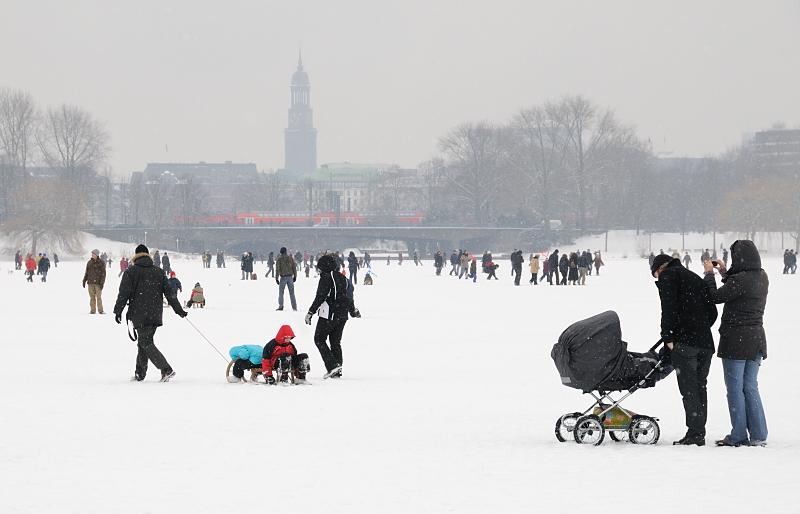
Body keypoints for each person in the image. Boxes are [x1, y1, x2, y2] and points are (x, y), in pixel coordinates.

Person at [703, 241, 769, 447]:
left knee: (734, 389)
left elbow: (714, 297)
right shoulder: (761, 276)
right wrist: (724, 272)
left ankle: (739, 434)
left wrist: (709, 274)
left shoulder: (740, 280)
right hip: (756, 339)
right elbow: (739, 288)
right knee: (750, 387)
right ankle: (758, 434)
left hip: (736, 340)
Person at [650, 253, 718, 446]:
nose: (657, 278)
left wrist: (668, 337)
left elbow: (668, 308)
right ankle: (699, 431)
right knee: (700, 387)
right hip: (705, 343)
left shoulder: (668, 276)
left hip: (685, 344)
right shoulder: (693, 277)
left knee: (689, 389)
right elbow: (712, 311)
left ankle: (695, 434)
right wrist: (700, 328)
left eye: (655, 274)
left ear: (660, 268)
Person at [113, 244, 188, 382]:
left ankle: (166, 369)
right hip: (155, 313)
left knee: (145, 342)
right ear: (148, 255)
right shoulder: (158, 272)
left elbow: (123, 293)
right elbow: (170, 293)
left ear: (136, 256)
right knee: (144, 342)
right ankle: (140, 374)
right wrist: (179, 310)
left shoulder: (131, 271)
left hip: (139, 313)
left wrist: (118, 310)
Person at [305, 254, 360, 378]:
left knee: (319, 339)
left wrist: (310, 312)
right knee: (335, 342)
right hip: (343, 315)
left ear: (324, 267)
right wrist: (352, 311)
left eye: (319, 268)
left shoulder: (326, 277)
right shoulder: (344, 278)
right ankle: (337, 370)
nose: (318, 271)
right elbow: (349, 296)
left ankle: (332, 366)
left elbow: (320, 296)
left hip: (330, 314)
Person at [83, 249, 107, 314]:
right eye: (92, 254)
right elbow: (87, 272)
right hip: (90, 283)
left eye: (93, 254)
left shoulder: (101, 262)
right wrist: (84, 280)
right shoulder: (89, 262)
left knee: (99, 297)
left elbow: (103, 274)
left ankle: (101, 310)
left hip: (98, 283)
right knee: (92, 297)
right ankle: (92, 310)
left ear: (97, 255)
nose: (92, 255)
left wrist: (102, 283)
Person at [275, 247, 297, 311]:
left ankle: (281, 306)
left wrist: (276, 278)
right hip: (290, 277)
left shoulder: (279, 259)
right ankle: (294, 307)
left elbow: (277, 269)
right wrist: (295, 276)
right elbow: (294, 267)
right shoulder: (290, 258)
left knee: (281, 293)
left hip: (283, 277)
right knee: (292, 293)